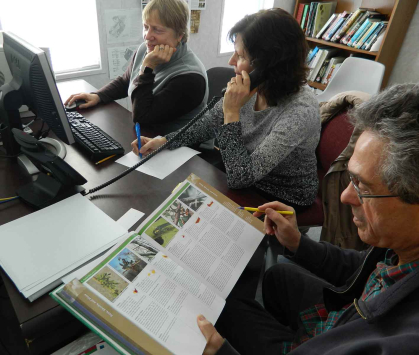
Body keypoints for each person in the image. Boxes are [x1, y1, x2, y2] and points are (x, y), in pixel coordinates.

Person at [195, 83, 419, 355]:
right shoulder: (404, 247)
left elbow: (240, 174)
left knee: (225, 307)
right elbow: (365, 265)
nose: (345, 197)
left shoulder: (400, 341)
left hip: (335, 339)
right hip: (344, 317)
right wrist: (299, 242)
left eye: (364, 187)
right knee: (280, 273)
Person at [132, 8, 321, 212]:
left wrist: (231, 113)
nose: (231, 61)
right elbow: (206, 125)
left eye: (239, 56)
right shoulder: (254, 88)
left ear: (266, 66)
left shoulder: (299, 110)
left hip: (280, 197)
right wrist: (164, 141)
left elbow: (241, 178)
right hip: (239, 175)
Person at [64, 0, 208, 135]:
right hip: (149, 137)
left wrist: (147, 68)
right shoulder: (145, 50)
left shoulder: (191, 78)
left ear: (179, 35)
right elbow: (127, 80)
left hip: (181, 151)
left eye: (157, 30)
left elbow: (143, 117)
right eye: (146, 27)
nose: (147, 36)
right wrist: (98, 96)